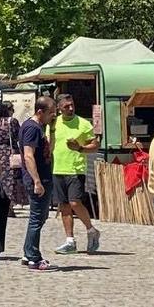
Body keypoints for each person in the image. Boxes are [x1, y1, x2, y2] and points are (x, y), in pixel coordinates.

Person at [48, 93, 100, 255]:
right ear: (58, 108)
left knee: (75, 202)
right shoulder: (53, 124)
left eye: (72, 105)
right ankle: (70, 240)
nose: (70, 109)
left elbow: (95, 145)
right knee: (63, 205)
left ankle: (91, 230)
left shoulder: (83, 124)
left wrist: (80, 148)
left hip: (75, 169)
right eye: (66, 106)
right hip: (57, 168)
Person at [17, 96, 53, 270]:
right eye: (50, 113)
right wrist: (37, 181)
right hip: (37, 179)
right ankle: (33, 256)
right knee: (36, 218)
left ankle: (27, 252)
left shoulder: (40, 127)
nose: (53, 116)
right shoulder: (31, 128)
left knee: (40, 217)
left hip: (43, 177)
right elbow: (28, 155)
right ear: (40, 111)